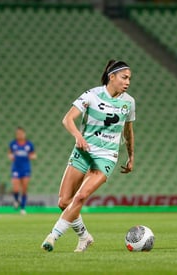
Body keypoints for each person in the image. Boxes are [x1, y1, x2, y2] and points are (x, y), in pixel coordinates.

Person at [41, 60, 135, 252]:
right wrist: (78, 136)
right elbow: (67, 119)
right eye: (124, 77)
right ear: (112, 77)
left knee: (81, 195)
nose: (128, 82)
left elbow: (128, 131)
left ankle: (53, 236)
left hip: (107, 156)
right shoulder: (92, 95)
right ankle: (84, 236)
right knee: (64, 202)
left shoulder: (129, 102)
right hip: (83, 151)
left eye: (129, 79)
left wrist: (131, 156)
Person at [8, 127, 37, 215]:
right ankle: (16, 200)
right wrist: (10, 156)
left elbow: (34, 155)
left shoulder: (29, 144)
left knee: (24, 188)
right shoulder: (13, 144)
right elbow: (9, 153)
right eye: (18, 133)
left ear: (24, 134)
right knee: (16, 188)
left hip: (26, 168)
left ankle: (23, 208)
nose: (19, 135)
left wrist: (32, 156)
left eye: (21, 133)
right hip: (16, 168)